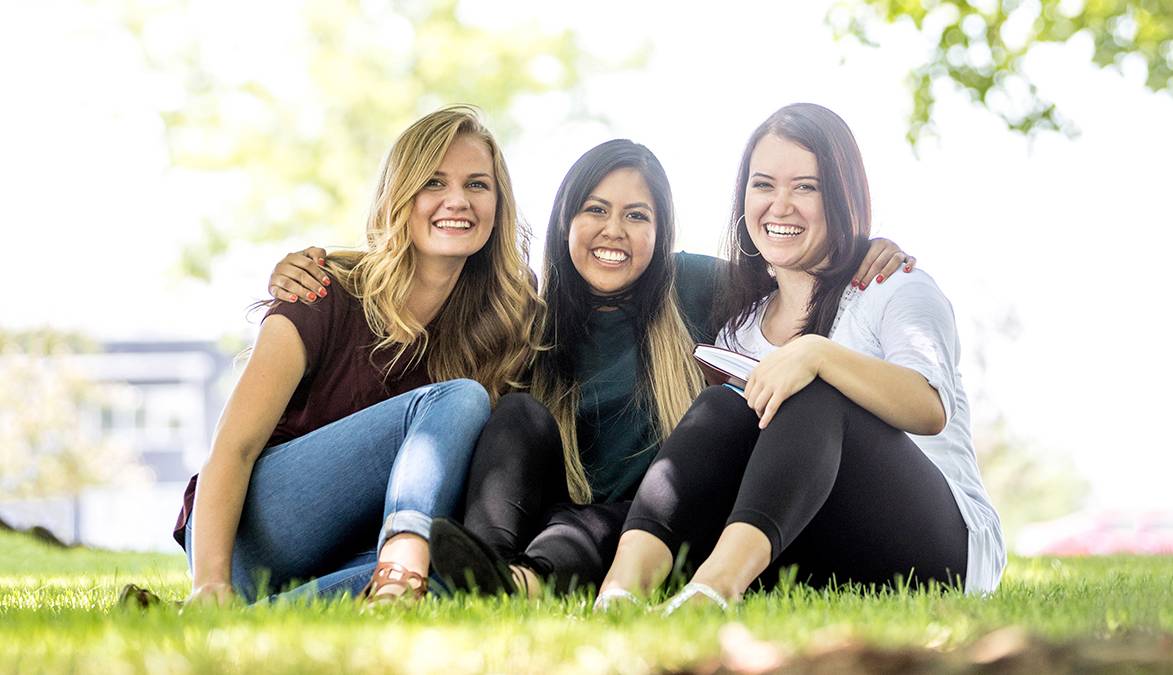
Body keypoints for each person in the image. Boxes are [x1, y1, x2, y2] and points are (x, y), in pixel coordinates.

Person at [268, 141, 915, 598]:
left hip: (656, 520)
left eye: (638, 215)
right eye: (595, 209)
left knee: (607, 520)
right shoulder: (528, 317)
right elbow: (430, 276)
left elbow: (790, 260)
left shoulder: (695, 287)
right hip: (541, 509)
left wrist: (865, 248)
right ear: (566, 219)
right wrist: (328, 263)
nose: (615, 230)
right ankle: (484, 565)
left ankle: (514, 582)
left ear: (661, 232)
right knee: (517, 414)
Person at [593, 103, 1004, 612]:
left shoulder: (893, 286)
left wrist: (817, 353)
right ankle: (621, 591)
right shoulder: (741, 325)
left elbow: (929, 408)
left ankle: (712, 591)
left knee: (814, 394)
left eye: (805, 187)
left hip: (939, 548)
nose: (780, 205)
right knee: (722, 406)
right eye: (763, 185)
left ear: (842, 195)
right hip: (810, 543)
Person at [172, 106, 540, 606]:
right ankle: (401, 565)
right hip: (249, 534)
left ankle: (258, 615)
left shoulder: (503, 323)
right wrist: (210, 582)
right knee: (459, 401)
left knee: (456, 581)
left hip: (355, 550)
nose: (458, 201)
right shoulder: (324, 290)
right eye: (433, 182)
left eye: (477, 185)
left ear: (499, 203)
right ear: (399, 196)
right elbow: (231, 448)